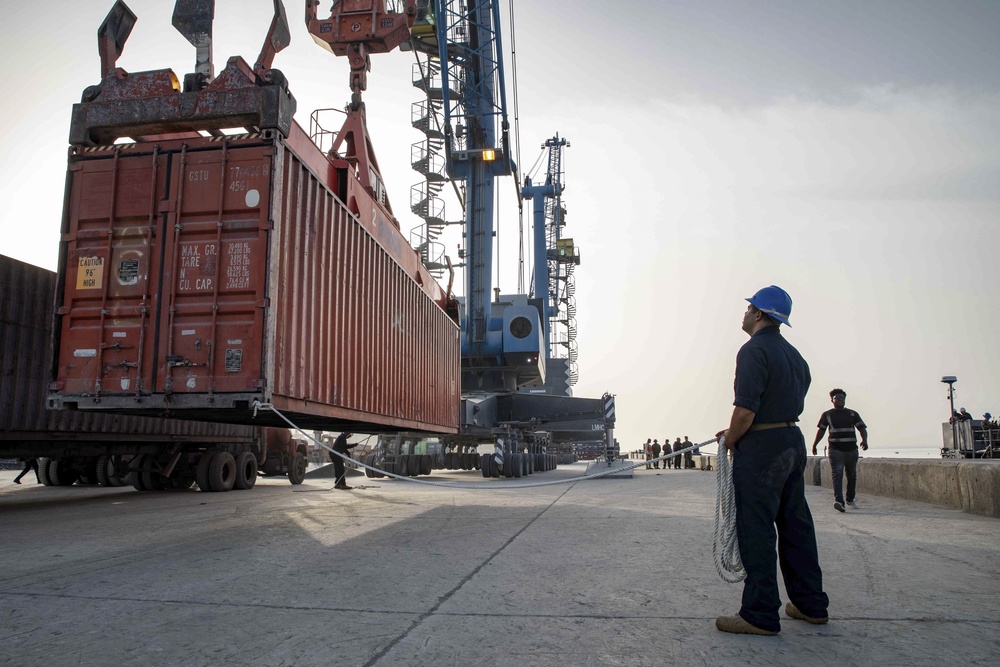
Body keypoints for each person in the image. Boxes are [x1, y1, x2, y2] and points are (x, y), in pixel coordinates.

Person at [715, 285, 829, 636]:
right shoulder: (795, 356)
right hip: (792, 442)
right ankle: (811, 605)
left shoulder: (753, 351)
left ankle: (760, 613)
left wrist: (730, 438)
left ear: (759, 314)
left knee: (756, 528)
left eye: (749, 308)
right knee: (796, 526)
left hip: (762, 446)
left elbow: (746, 410)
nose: (745, 313)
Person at [812, 389, 868, 512]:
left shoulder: (852, 414)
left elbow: (862, 428)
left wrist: (864, 440)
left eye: (842, 397)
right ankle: (839, 501)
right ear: (832, 400)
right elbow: (821, 430)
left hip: (852, 450)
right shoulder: (827, 415)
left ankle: (850, 499)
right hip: (835, 450)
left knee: (852, 475)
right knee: (837, 475)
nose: (840, 399)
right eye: (837, 397)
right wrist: (815, 444)